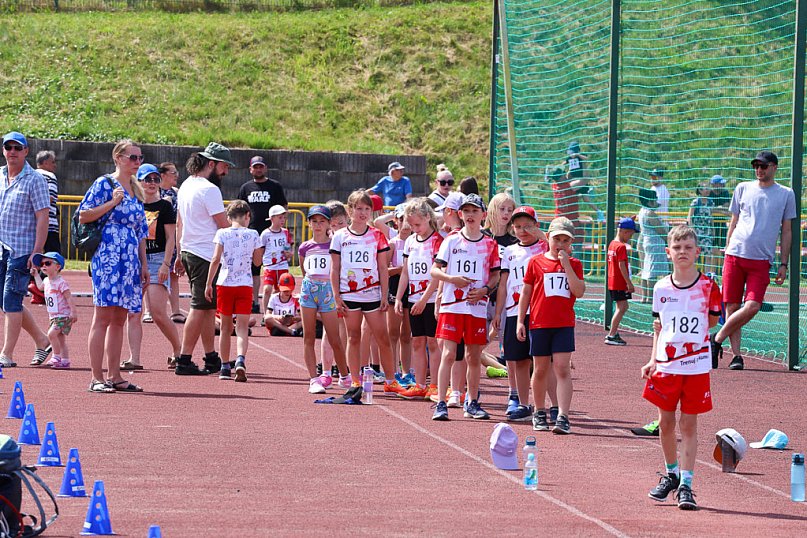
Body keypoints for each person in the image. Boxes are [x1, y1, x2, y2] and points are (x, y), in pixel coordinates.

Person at [641, 225, 722, 511]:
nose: (683, 252)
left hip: (696, 365)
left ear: (697, 252)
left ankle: (687, 484)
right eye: (677, 248)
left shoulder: (709, 287)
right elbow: (658, 327)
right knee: (665, 423)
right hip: (666, 365)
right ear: (668, 253)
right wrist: (652, 359)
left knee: (688, 424)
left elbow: (712, 323)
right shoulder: (661, 287)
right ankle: (671, 474)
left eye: (688, 247)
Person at [712, 151, 796, 371]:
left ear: (774, 167)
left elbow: (787, 231)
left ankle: (717, 339)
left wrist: (783, 263)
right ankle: (736, 356)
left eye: (764, 166)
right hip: (735, 254)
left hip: (761, 259)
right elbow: (734, 221)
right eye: (756, 166)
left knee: (753, 306)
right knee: (732, 305)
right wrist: (727, 249)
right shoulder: (742, 188)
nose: (759, 169)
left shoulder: (786, 194)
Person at [77, 139, 148, 393]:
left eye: (140, 158)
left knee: (120, 317)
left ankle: (115, 375)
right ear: (118, 158)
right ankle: (96, 377)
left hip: (129, 259)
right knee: (103, 315)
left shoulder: (137, 190)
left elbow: (141, 231)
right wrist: (112, 203)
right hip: (108, 256)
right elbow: (83, 215)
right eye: (133, 157)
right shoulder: (105, 184)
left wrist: (143, 264)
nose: (137, 162)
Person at [430, 193, 501, 421]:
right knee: (448, 354)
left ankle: (471, 402)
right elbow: (435, 270)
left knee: (473, 356)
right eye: (466, 211)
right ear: (460, 214)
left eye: (474, 211)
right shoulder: (451, 240)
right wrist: (452, 279)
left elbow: (496, 275)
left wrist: (485, 291)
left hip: (476, 307)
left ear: (483, 215)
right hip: (453, 306)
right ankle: (441, 401)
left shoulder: (489, 244)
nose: (470, 215)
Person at [330, 189, 405, 399]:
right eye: (358, 208)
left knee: (382, 337)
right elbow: (335, 268)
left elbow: (382, 268)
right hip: (349, 294)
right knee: (353, 337)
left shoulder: (377, 235)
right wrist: (337, 296)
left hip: (372, 294)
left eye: (367, 209)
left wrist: (383, 295)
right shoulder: (339, 236)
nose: (363, 213)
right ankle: (355, 380)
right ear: (350, 210)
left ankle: (390, 380)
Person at [517, 217, 584, 434]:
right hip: (539, 323)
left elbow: (579, 291)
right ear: (548, 238)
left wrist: (566, 265)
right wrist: (520, 320)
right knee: (540, 369)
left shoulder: (574, 264)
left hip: (563, 324)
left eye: (565, 241)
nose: (561, 245)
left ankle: (563, 415)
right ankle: (539, 411)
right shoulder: (536, 262)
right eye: (557, 239)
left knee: (562, 368)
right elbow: (526, 292)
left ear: (571, 243)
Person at [173, 142, 234, 376]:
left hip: (190, 250)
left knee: (208, 308)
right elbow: (222, 224)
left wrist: (179, 254)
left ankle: (211, 357)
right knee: (199, 307)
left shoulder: (187, 185)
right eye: (224, 166)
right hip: (204, 254)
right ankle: (184, 358)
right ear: (211, 164)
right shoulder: (210, 190)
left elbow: (180, 222)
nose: (226, 172)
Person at [0, 132, 52, 368]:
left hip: (22, 249)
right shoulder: (0, 175)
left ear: (26, 151)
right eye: (8, 147)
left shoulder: (35, 180)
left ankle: (6, 354)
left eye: (17, 148)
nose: (12, 151)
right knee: (4, 301)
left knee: (11, 299)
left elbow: (43, 216)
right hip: (2, 247)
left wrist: (37, 250)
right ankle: (42, 340)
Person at [123, 163, 181, 371]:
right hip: (134, 258)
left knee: (157, 312)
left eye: (156, 179)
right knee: (133, 312)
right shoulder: (133, 204)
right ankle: (134, 358)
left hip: (157, 259)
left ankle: (179, 351)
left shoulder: (165, 206)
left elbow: (171, 238)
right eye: (147, 179)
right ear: (138, 181)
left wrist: (167, 263)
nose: (151, 183)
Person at [493, 206, 549, 422]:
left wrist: (543, 236)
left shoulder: (544, 247)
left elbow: (563, 254)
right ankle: (522, 403)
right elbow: (504, 284)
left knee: (544, 360)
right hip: (514, 311)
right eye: (517, 227)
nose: (522, 230)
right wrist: (499, 312)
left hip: (539, 310)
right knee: (519, 359)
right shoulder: (509, 251)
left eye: (527, 226)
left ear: (536, 226)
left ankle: (549, 406)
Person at [205, 200, 262, 382]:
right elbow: (257, 262)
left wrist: (208, 283)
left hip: (224, 283)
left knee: (225, 327)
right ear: (247, 216)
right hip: (244, 284)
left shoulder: (222, 233)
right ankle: (240, 359)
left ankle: (224, 367)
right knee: (242, 327)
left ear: (229, 217)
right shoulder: (253, 234)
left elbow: (215, 259)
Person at [298, 205, 350, 394]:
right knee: (309, 336)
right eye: (314, 221)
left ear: (329, 223)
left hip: (328, 290)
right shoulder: (304, 247)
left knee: (334, 337)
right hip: (309, 290)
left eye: (322, 221)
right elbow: (305, 271)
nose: (318, 225)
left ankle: (344, 376)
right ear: (309, 223)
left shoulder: (334, 245)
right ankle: (314, 379)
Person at [395, 198, 443, 400]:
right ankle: (420, 384)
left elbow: (437, 274)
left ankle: (435, 385)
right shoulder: (411, 241)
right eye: (411, 225)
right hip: (414, 298)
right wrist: (399, 297)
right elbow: (405, 272)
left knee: (433, 343)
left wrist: (425, 299)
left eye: (418, 224)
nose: (415, 229)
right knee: (417, 342)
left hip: (430, 299)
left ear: (428, 218)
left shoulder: (438, 241)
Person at [237, 156, 288, 313]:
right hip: (252, 233)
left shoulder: (275, 186)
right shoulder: (245, 188)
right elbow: (240, 209)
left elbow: (284, 206)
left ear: (265, 168)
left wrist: (281, 225)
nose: (258, 169)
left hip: (272, 234)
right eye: (255, 167)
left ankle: (277, 303)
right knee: (253, 268)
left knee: (275, 267)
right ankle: (254, 301)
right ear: (250, 169)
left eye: (261, 167)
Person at [30, 252, 75, 369]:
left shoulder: (61, 283)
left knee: (51, 334)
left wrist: (73, 312)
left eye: (47, 263)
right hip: (53, 316)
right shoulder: (46, 281)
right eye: (42, 264)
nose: (43, 266)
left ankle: (56, 356)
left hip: (63, 315)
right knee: (60, 339)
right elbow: (40, 287)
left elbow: (69, 297)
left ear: (57, 267)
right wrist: (36, 275)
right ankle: (65, 360)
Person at [158, 161, 185, 324]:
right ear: (163, 175)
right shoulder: (154, 191)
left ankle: (175, 311)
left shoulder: (177, 192)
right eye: (173, 173)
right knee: (156, 275)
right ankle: (149, 311)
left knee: (173, 275)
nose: (176, 175)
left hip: (173, 237)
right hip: (157, 238)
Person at [605, 217, 637, 345]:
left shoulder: (612, 243)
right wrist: (629, 282)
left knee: (622, 307)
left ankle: (613, 332)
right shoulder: (621, 247)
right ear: (624, 231)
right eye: (630, 233)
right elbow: (621, 265)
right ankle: (611, 334)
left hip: (612, 281)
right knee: (622, 307)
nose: (630, 236)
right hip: (619, 282)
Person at [259, 205, 293, 312]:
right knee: (267, 289)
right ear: (272, 218)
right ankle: (266, 314)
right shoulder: (265, 234)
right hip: (270, 266)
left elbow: (289, 248)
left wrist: (289, 254)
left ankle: (277, 310)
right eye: (280, 217)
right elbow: (261, 249)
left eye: (284, 217)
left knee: (280, 290)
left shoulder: (285, 232)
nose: (283, 220)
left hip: (282, 265)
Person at [638, 188, 669, 303]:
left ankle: (645, 296)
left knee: (646, 269)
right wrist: (670, 240)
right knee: (652, 272)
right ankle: (651, 297)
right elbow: (661, 231)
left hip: (647, 242)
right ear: (650, 201)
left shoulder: (642, 211)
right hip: (655, 244)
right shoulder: (650, 213)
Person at [35, 151, 61, 254]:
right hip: (49, 225)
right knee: (53, 259)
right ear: (45, 162)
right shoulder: (50, 176)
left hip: (31, 225)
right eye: (53, 162)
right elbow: (49, 198)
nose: (55, 165)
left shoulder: (29, 175)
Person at [264, 273, 303, 337]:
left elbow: (302, 317)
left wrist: (292, 319)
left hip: (291, 324)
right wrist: (279, 317)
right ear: (279, 287)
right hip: (278, 323)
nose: (287, 292)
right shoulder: (274, 297)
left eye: (289, 289)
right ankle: (291, 332)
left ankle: (285, 331)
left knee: (305, 321)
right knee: (267, 318)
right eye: (284, 290)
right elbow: (268, 315)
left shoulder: (296, 298)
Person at [688, 182, 715, 271]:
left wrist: (713, 229)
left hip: (707, 232)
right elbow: (689, 217)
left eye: (708, 188)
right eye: (705, 188)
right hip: (697, 232)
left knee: (708, 254)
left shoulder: (710, 202)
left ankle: (707, 274)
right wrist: (692, 230)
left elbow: (711, 217)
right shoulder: (696, 202)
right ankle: (693, 273)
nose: (708, 190)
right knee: (695, 254)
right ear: (700, 191)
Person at [708, 174, 731, 254]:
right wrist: (721, 211)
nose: (723, 185)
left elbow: (727, 206)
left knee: (724, 248)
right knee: (711, 249)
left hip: (722, 225)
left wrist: (715, 209)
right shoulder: (708, 193)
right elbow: (709, 209)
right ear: (714, 185)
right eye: (721, 183)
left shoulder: (725, 193)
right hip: (710, 225)